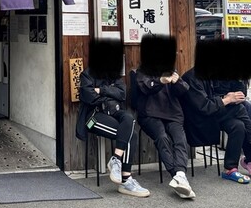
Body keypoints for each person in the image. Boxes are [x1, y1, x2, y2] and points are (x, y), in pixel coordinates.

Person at [76, 40, 150, 198]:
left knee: (128, 119)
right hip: (93, 117)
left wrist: (101, 90)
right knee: (130, 135)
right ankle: (126, 180)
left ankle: (116, 160)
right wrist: (110, 93)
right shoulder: (87, 74)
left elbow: (122, 94)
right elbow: (90, 97)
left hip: (113, 112)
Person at [182, 67, 251, 183]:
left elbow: (237, 95)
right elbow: (204, 107)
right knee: (241, 108)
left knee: (238, 125)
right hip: (198, 120)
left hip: (216, 113)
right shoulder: (192, 78)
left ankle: (230, 169)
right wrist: (227, 99)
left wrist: (238, 79)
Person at [135, 68, 194, 198]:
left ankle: (180, 175)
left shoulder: (171, 70)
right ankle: (177, 176)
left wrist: (177, 82)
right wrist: (161, 81)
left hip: (173, 114)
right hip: (150, 114)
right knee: (162, 137)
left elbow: (183, 91)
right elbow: (146, 87)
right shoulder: (142, 71)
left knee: (180, 139)